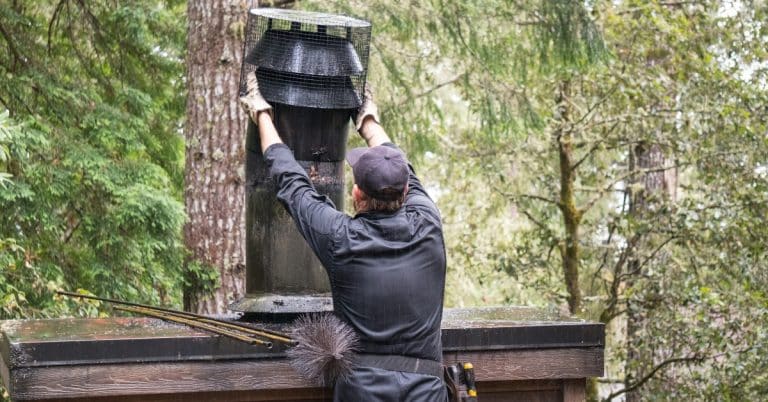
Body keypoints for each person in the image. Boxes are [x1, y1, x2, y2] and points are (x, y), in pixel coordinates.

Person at [240, 72, 448, 402]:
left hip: (361, 391)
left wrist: (261, 113)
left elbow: (292, 182)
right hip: (426, 390)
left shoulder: (341, 239)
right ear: (407, 191)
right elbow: (397, 160)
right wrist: (367, 118)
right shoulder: (428, 224)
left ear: (356, 195)